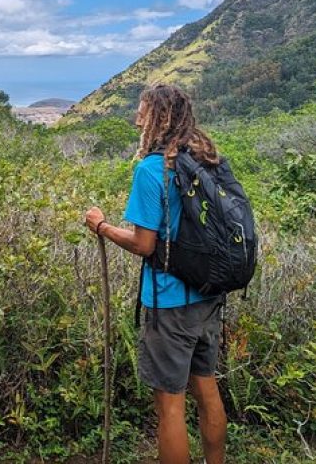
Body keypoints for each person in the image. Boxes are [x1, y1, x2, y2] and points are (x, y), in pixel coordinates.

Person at [85, 84, 227, 464]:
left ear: (159, 119)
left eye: (143, 112)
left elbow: (144, 244)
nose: (136, 119)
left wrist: (102, 227)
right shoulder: (206, 159)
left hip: (169, 302)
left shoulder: (152, 169)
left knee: (170, 406)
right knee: (206, 389)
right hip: (209, 295)